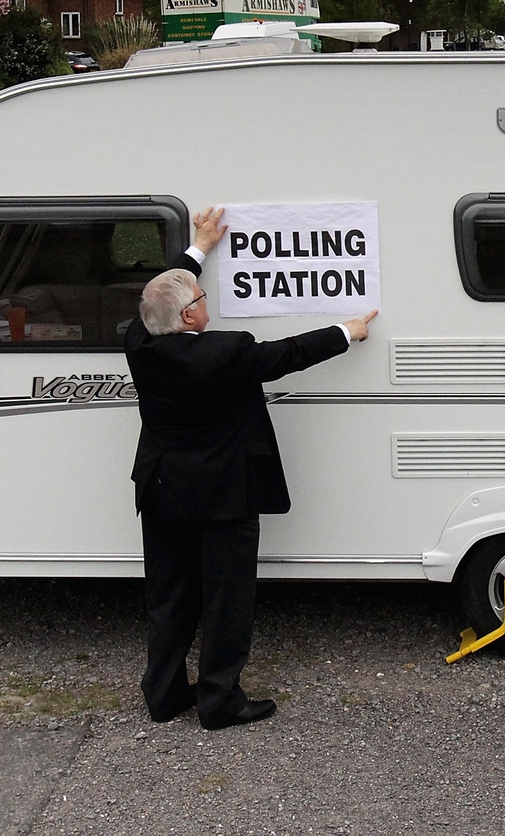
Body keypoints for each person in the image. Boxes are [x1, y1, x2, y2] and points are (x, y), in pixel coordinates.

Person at [127, 205, 377, 729]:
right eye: (198, 297)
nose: (204, 298)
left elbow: (160, 296)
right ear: (190, 318)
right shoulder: (223, 352)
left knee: (167, 598)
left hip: (164, 491)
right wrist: (346, 330)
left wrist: (199, 247)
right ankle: (219, 701)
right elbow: (288, 354)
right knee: (226, 599)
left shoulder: (139, 340)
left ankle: (164, 695)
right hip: (223, 495)